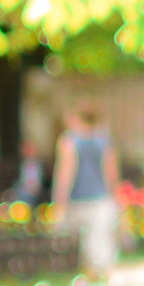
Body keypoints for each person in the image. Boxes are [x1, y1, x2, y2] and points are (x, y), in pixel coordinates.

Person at [51, 105, 122, 276]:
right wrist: (115, 197)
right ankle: (100, 275)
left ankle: (86, 274)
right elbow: (111, 172)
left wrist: (59, 200)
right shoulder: (104, 141)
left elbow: (65, 173)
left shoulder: (69, 140)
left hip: (78, 198)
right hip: (100, 198)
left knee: (78, 240)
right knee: (99, 240)